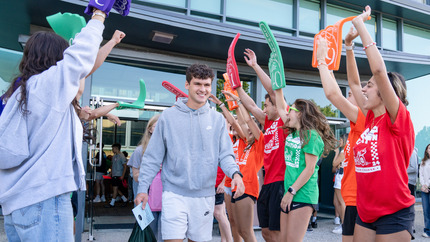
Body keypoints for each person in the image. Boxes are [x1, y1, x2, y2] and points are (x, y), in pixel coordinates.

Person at [0, 7, 107, 241]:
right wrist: (99, 16)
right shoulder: (46, 86)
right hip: (43, 200)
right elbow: (81, 58)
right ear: (57, 59)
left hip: (17, 204)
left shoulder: (21, 94)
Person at [134, 63, 245, 242]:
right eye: (198, 84)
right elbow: (152, 158)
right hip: (173, 194)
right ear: (187, 85)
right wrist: (142, 189)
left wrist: (236, 174)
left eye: (207, 85)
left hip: (204, 196)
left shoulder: (217, 119)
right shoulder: (168, 117)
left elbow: (225, 154)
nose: (203, 89)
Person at [349, 6, 415, 241]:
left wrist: (360, 26)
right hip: (365, 213)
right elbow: (354, 85)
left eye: (371, 85)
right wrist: (348, 46)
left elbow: (378, 70)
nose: (364, 90)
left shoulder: (397, 118)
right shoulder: (369, 120)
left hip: (394, 212)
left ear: (386, 92)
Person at [316, 29, 368, 241]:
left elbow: (332, 93)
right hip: (352, 198)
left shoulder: (365, 118)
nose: (348, 96)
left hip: (360, 200)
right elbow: (338, 90)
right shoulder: (356, 126)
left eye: (352, 95)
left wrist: (322, 60)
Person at [274, 90, 337, 241]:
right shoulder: (294, 132)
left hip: (302, 195)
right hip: (290, 193)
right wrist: (277, 85)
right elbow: (280, 107)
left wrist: (290, 192)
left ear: (301, 113)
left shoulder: (311, 135)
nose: (287, 113)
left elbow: (309, 169)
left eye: (291, 110)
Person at [240, 48, 288, 242]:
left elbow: (272, 90)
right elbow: (251, 106)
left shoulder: (286, 119)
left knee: (277, 233)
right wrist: (237, 88)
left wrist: (256, 66)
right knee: (266, 232)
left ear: (278, 105)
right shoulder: (268, 122)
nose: (264, 108)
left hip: (281, 182)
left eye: (267, 105)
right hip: (267, 184)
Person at [222, 90, 265, 242]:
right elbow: (240, 122)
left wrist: (239, 103)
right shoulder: (245, 144)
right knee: (239, 228)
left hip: (248, 188)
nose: (248, 131)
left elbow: (243, 122)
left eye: (251, 130)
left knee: (246, 231)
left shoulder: (260, 144)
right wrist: (223, 104)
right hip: (236, 186)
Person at [128, 114, 162, 240]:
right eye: (156, 126)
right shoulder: (139, 151)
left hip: (167, 201)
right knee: (148, 237)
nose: (160, 129)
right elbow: (135, 176)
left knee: (166, 237)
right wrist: (150, 170)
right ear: (150, 129)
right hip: (146, 203)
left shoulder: (170, 150)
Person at [331, 136, 347, 235]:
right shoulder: (348, 150)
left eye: (341, 140)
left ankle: (344, 225)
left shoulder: (343, 151)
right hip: (342, 177)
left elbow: (334, 163)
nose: (339, 141)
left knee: (341, 203)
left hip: (341, 178)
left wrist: (336, 153)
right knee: (339, 202)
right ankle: (343, 224)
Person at [107, 143, 128, 207]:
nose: (112, 150)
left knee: (115, 188)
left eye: (113, 148)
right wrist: (111, 173)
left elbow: (125, 166)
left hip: (118, 174)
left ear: (116, 148)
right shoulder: (114, 156)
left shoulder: (121, 156)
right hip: (114, 174)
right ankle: (124, 199)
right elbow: (112, 166)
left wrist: (122, 175)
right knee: (115, 188)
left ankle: (112, 203)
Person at [420, 144, 430, 238]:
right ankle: (427, 231)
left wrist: (428, 184)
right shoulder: (423, 162)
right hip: (424, 190)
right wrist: (423, 185)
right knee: (426, 210)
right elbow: (421, 175)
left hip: (428, 187)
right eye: (429, 148)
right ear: (427, 151)